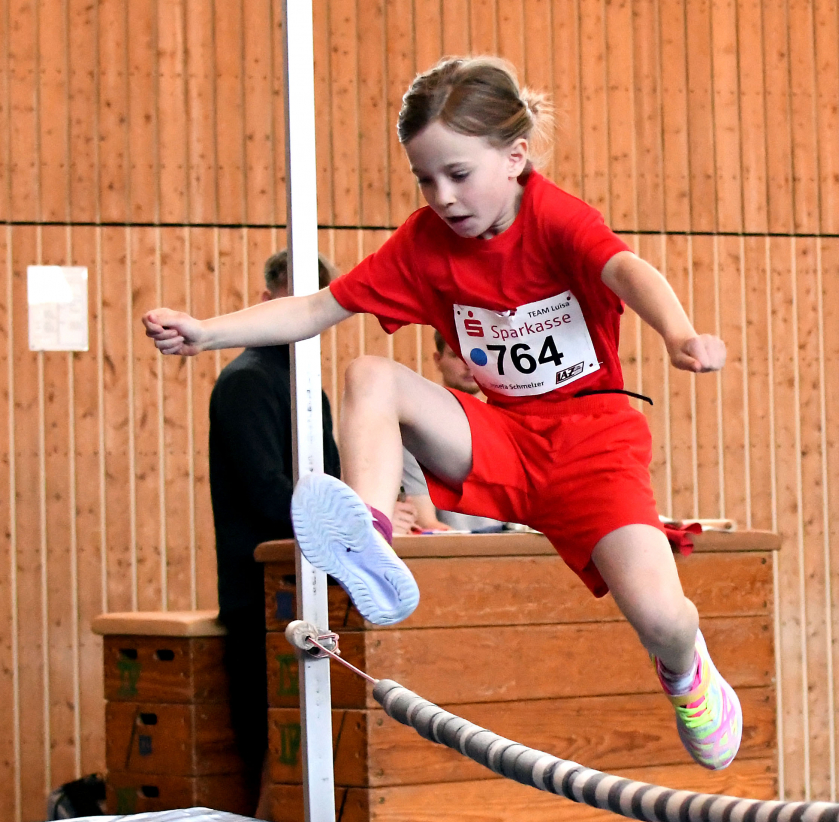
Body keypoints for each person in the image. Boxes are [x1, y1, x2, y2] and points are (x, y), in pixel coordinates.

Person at [145, 57, 740, 771]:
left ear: (515, 158)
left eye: (458, 174)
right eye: (425, 179)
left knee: (662, 619)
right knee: (369, 372)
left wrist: (679, 333)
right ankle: (365, 534)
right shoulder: (425, 242)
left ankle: (687, 673)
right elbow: (315, 308)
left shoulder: (555, 219)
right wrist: (209, 332)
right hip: (500, 435)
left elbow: (626, 270)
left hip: (591, 441)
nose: (443, 196)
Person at [208, 251, 340, 808]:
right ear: (265, 304)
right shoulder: (247, 383)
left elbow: (333, 477)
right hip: (260, 599)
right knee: (275, 752)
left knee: (311, 752)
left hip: (307, 586)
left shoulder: (308, 388)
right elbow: (267, 494)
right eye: (292, 303)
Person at [398, 330, 501, 533]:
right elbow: (426, 522)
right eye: (456, 356)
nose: (468, 365)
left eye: (476, 356)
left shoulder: (503, 421)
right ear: (438, 360)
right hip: (457, 545)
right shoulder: (418, 427)